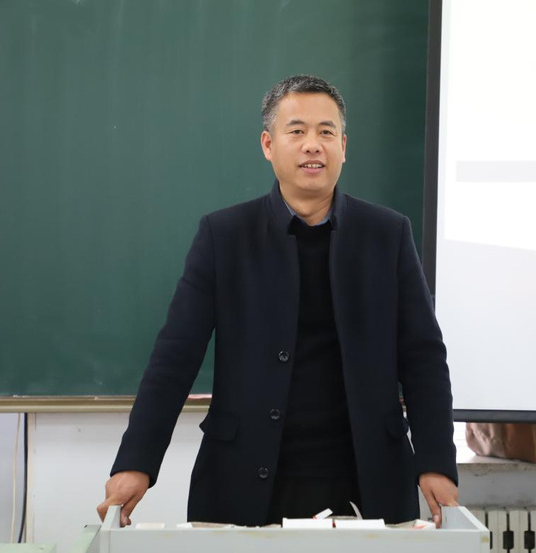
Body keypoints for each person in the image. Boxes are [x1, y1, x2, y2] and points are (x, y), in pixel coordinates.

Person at [96, 75, 458, 528]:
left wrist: (436, 462)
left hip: (368, 479)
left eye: (326, 132)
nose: (313, 145)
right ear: (268, 144)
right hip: (241, 479)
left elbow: (423, 358)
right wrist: (136, 463)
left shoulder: (387, 234)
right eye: (297, 131)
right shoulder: (224, 236)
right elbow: (175, 358)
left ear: (344, 146)